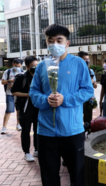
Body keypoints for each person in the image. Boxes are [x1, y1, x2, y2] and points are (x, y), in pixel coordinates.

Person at [30, 24, 94, 185]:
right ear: (46, 43)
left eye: (59, 40)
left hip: (72, 130)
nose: (54, 44)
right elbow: (33, 92)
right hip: (46, 131)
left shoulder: (79, 64)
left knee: (77, 174)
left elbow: (87, 90)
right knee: (49, 176)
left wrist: (65, 99)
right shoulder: (41, 66)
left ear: (67, 43)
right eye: (50, 41)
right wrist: (45, 100)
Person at [11, 56, 38, 162]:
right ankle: (26, 152)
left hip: (38, 108)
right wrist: (29, 95)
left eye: (37, 66)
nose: (35, 68)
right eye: (33, 66)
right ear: (27, 67)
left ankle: (37, 149)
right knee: (26, 131)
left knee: (38, 130)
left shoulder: (39, 76)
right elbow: (14, 92)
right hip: (25, 109)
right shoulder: (21, 77)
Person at [1, 58, 23, 134]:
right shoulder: (8, 71)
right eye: (16, 65)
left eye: (19, 66)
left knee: (18, 110)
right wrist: (9, 81)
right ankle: (4, 127)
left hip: (19, 94)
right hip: (9, 93)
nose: (17, 67)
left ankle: (18, 125)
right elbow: (3, 82)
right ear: (13, 64)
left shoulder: (22, 72)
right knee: (9, 110)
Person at [78, 51, 97, 125]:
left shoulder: (90, 71)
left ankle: (88, 132)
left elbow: (95, 86)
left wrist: (93, 82)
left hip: (89, 99)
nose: (87, 61)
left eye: (88, 59)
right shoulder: (76, 70)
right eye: (85, 59)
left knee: (88, 118)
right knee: (78, 117)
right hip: (78, 97)